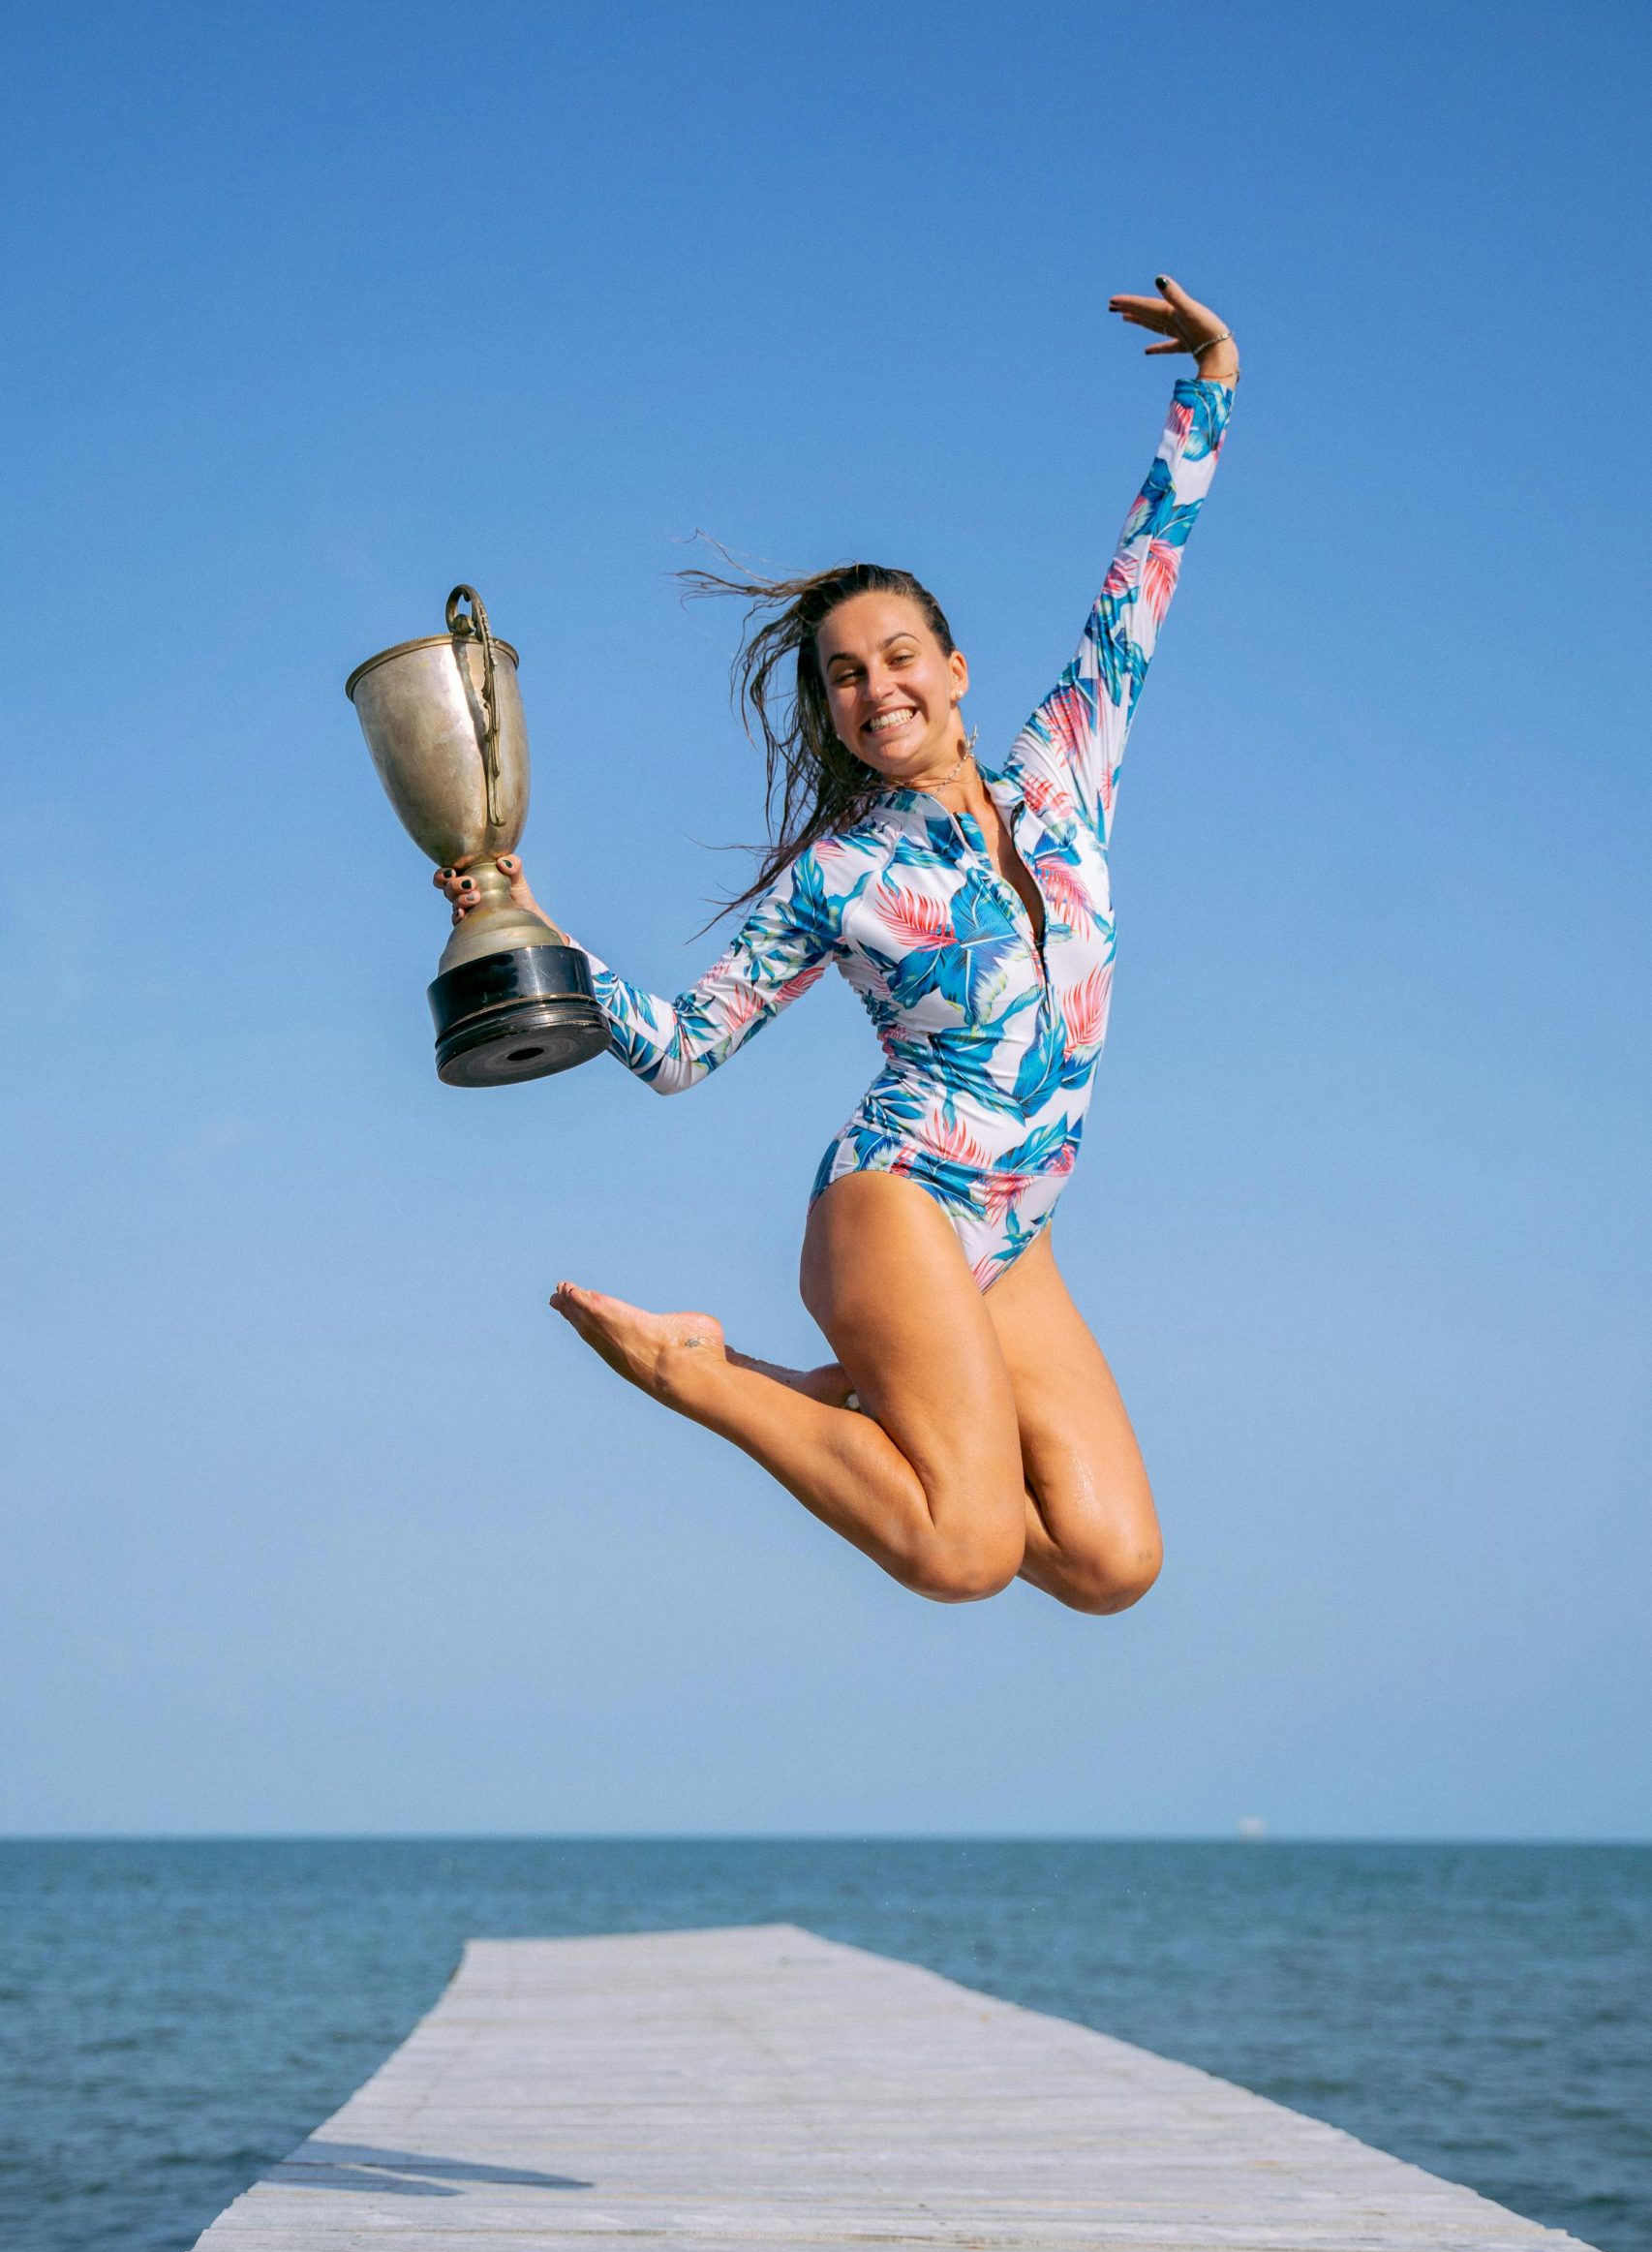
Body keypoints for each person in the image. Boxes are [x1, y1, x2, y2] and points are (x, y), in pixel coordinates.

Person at [440, 275, 1239, 1612]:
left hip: (1015, 1235)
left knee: (1109, 1564)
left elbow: (1142, 576)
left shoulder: (1067, 766)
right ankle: (697, 1372)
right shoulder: (840, 872)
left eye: (900, 655)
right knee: (961, 1550)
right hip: (898, 1206)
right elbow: (685, 1049)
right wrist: (526, 932)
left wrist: (1207, 382)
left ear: (957, 667)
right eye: (846, 676)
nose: (879, 688)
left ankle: (866, 1400)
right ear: (829, 708)